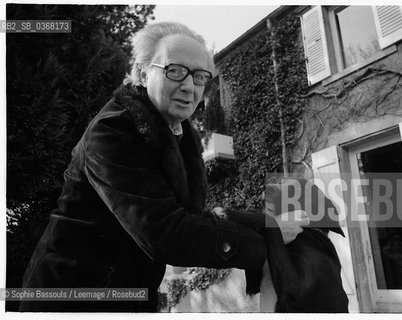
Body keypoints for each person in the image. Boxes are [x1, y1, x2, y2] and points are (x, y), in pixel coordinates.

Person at [19, 22, 310, 312]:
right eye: (175, 70)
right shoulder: (112, 131)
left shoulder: (180, 137)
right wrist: (266, 247)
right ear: (144, 73)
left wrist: (265, 225)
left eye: (199, 76)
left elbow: (189, 217)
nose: (189, 85)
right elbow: (164, 232)